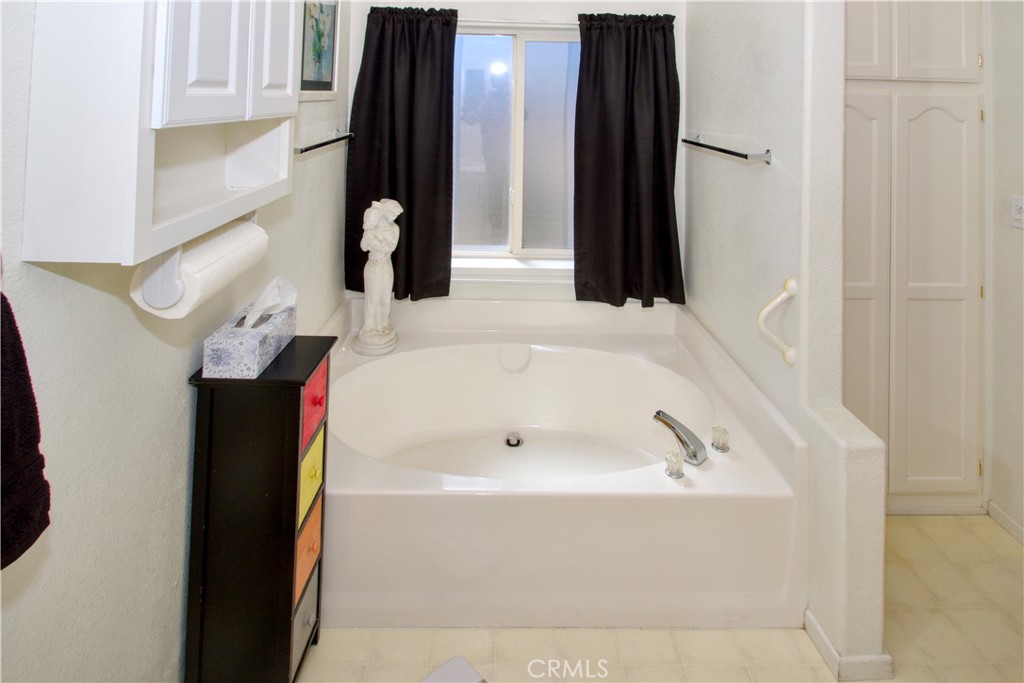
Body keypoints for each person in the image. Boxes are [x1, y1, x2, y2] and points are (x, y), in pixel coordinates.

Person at [354, 198, 402, 355]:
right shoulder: (372, 228)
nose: (394, 216)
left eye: (396, 214)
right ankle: (370, 328)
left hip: (386, 265)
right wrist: (371, 236)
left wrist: (374, 242)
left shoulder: (394, 228)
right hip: (374, 266)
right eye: (393, 213)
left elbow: (390, 247)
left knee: (385, 298)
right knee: (372, 298)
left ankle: (382, 324)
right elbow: (363, 246)